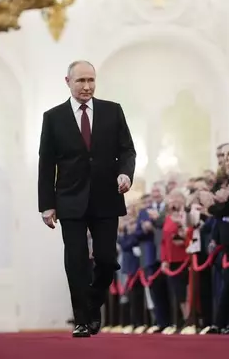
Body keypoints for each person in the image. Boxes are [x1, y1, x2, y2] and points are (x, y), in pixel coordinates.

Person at [37, 60, 137, 338]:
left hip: (107, 196)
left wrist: (125, 174)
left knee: (106, 259)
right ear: (67, 82)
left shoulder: (112, 111)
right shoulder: (53, 117)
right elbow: (46, 164)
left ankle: (92, 304)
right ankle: (82, 319)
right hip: (69, 199)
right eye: (81, 81)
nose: (87, 86)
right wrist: (46, 204)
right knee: (76, 260)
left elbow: (127, 150)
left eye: (91, 80)